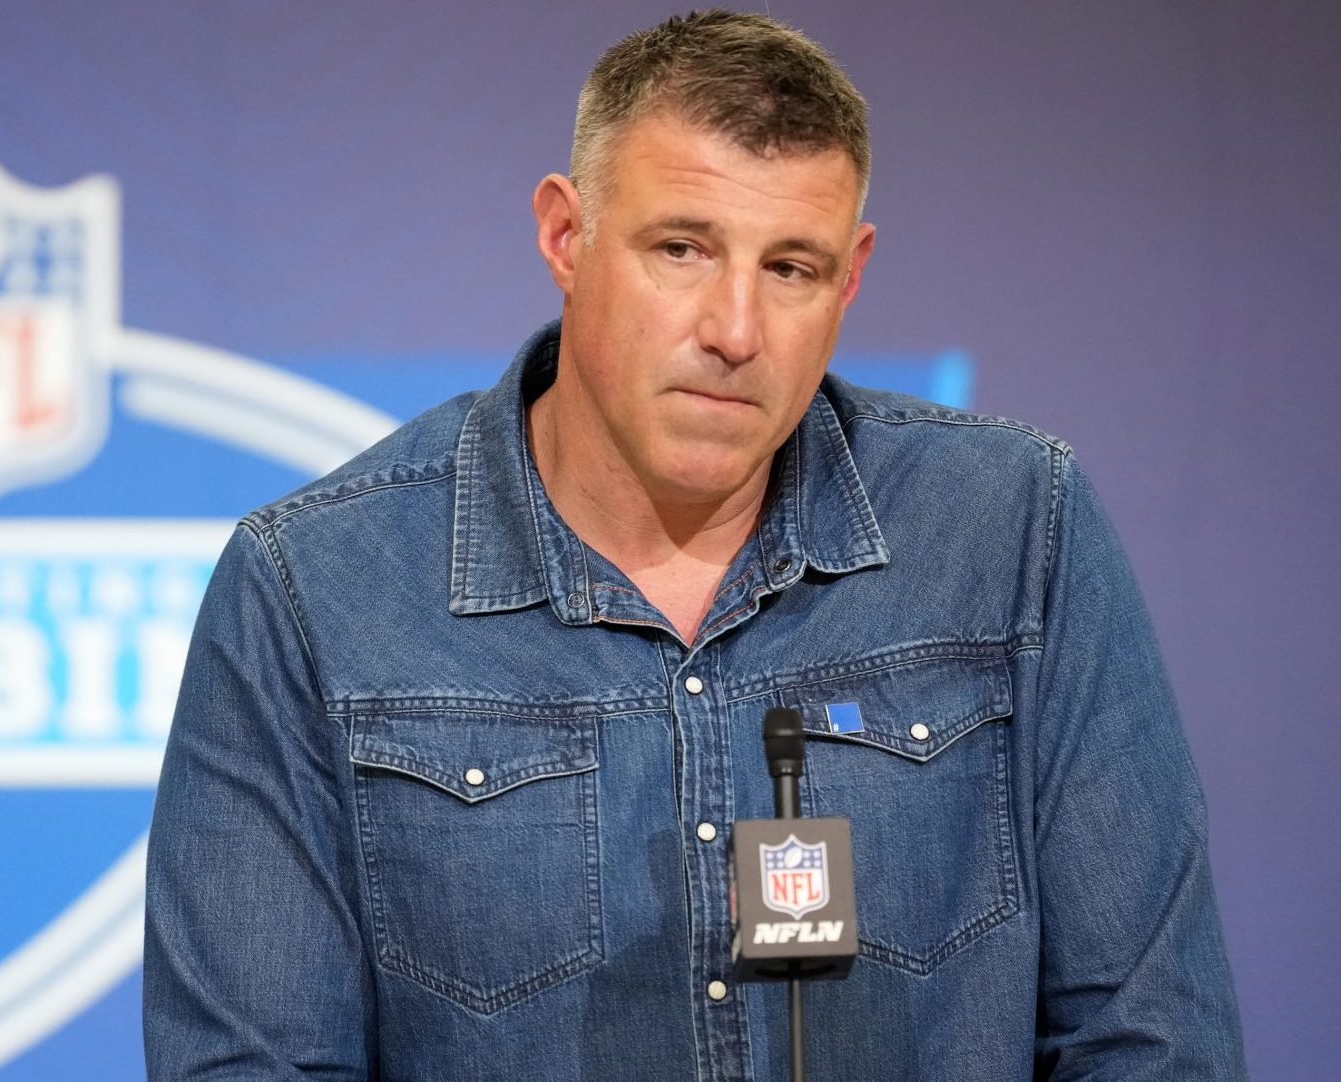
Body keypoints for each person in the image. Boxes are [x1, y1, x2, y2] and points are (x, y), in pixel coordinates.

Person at [143, 10, 1245, 1080]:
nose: (734, 330)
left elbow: (1150, 1038)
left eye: (791, 269)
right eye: (683, 247)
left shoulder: (1015, 531)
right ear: (565, 235)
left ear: (852, 276)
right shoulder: (312, 590)